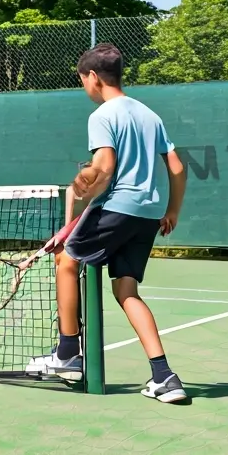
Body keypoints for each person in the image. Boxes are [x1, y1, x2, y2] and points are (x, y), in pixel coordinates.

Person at [28, 43, 189, 403]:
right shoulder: (150, 115)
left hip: (117, 206)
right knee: (126, 291)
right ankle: (164, 376)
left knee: (66, 261)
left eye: (82, 80)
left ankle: (67, 354)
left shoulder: (102, 115)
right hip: (148, 214)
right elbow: (177, 167)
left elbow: (105, 164)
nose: (84, 86)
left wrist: (87, 178)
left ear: (93, 77)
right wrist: (173, 210)